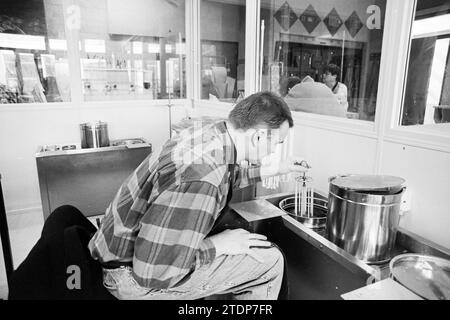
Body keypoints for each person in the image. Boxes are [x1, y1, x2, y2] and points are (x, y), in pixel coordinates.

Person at [88, 91, 309, 300]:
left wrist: (275, 169)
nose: (274, 151)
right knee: (269, 263)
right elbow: (153, 270)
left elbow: (226, 176)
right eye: (277, 143)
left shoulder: (211, 134)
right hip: (131, 280)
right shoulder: (202, 177)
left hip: (117, 251)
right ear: (259, 137)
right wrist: (218, 245)